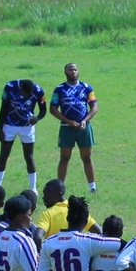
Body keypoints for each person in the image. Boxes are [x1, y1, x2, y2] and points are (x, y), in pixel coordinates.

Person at [0, 76, 47, 195]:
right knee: (4, 155)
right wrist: (0, 129)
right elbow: (3, 108)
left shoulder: (38, 91)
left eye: (29, 94)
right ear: (20, 89)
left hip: (27, 127)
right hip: (9, 125)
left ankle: (33, 187)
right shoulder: (10, 87)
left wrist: (37, 118)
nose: (26, 96)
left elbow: (43, 110)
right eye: (24, 93)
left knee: (29, 156)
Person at [51, 63, 98, 191]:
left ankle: (92, 187)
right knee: (64, 158)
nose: (73, 72)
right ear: (65, 72)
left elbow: (94, 107)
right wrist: (68, 121)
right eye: (70, 70)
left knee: (87, 157)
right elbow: (53, 109)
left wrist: (85, 120)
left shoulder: (87, 88)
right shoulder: (59, 89)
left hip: (84, 128)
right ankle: (59, 187)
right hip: (67, 128)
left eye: (75, 69)